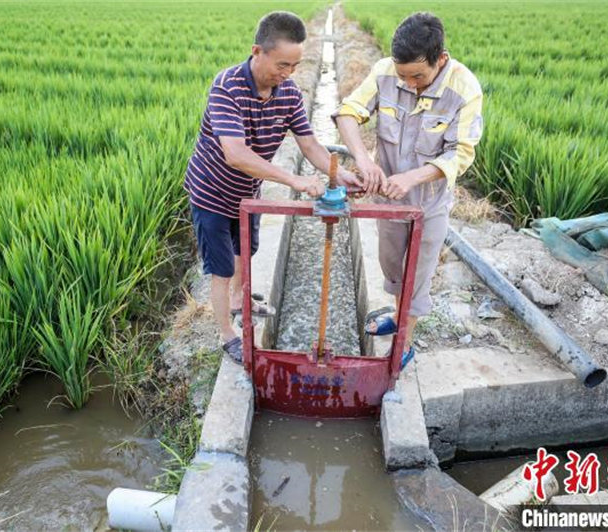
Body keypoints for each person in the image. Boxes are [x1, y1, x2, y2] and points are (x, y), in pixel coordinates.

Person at [185, 11, 362, 363]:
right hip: (211, 193)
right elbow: (235, 154)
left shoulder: (289, 92)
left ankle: (240, 299)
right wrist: (294, 180)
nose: (288, 74)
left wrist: (340, 175)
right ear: (257, 51)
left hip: (247, 193)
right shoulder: (227, 87)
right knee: (220, 268)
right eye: (282, 65)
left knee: (245, 251)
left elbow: (309, 144)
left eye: (295, 66)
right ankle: (226, 335)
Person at [334, 12, 483, 363]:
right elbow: (348, 113)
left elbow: (461, 153)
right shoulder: (385, 71)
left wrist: (412, 178)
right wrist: (364, 159)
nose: (410, 84)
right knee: (392, 267)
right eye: (404, 76)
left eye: (418, 76)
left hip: (427, 204)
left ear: (440, 59)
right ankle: (398, 315)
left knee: (416, 275)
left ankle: (404, 342)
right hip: (387, 199)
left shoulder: (464, 89)